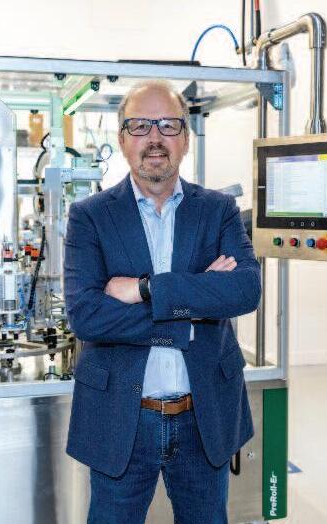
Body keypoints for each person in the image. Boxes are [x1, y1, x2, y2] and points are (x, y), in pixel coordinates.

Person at [63, 79, 260, 524]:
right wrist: (191, 312)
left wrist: (145, 289)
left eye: (169, 125)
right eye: (140, 125)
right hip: (121, 419)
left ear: (185, 139)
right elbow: (87, 316)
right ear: (122, 139)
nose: (155, 137)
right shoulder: (90, 216)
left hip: (203, 415)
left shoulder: (218, 210)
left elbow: (245, 290)